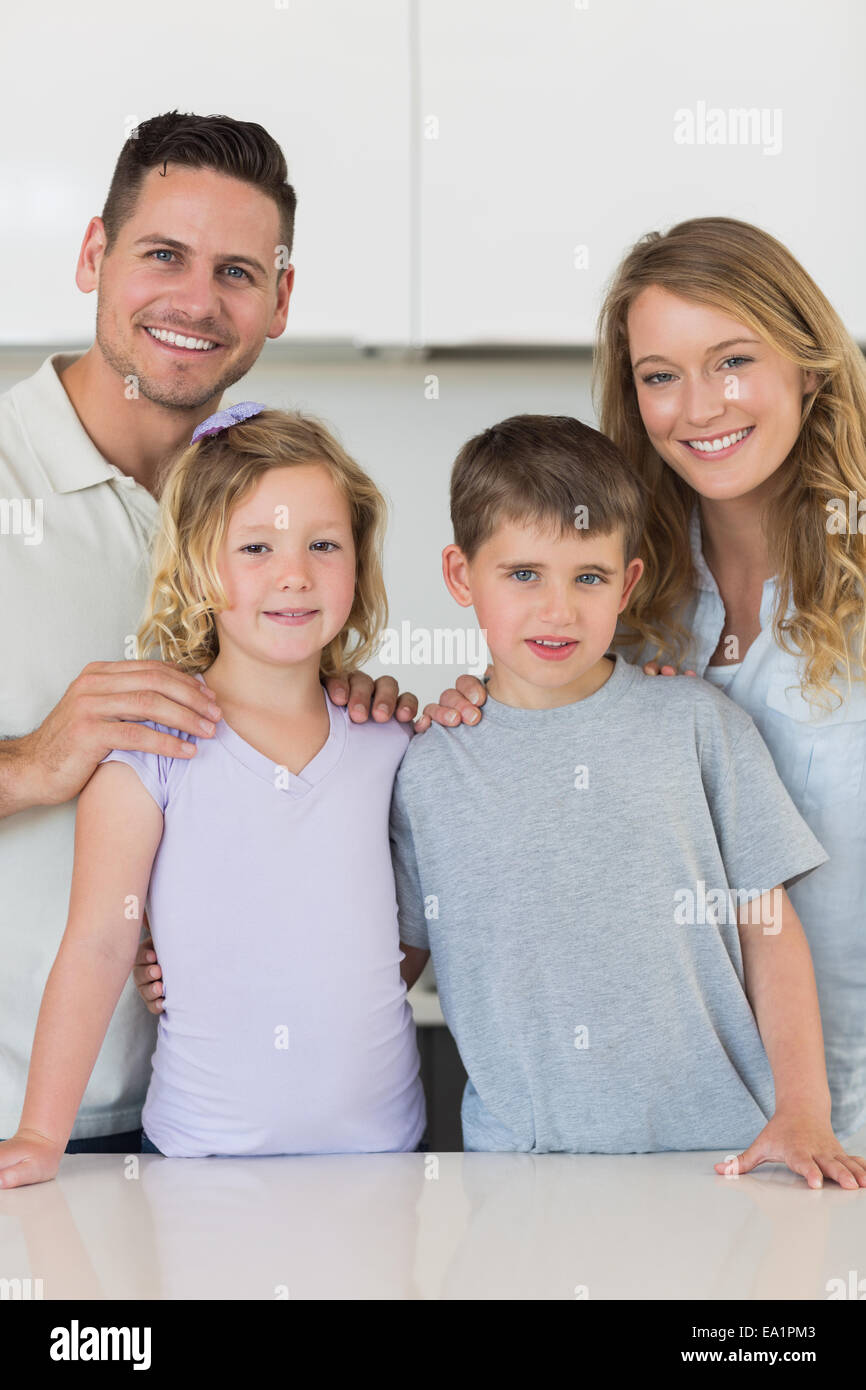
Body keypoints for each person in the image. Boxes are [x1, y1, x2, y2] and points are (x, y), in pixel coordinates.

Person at [0, 111, 454, 1155]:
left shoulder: (260, 506)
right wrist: (33, 761)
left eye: (238, 271)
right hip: (26, 1128)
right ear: (91, 255)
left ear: (280, 298)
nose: (197, 301)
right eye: (163, 254)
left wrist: (357, 695)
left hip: (189, 1127)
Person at [440, 218, 866, 1144]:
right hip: (710, 1144)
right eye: (660, 376)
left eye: (734, 360)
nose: (700, 407)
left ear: (809, 365)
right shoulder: (635, 610)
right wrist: (482, 702)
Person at [389, 413, 866, 1187]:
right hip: (520, 1176)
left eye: (588, 577)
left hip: (723, 1159)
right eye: (522, 575)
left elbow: (769, 931)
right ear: (459, 575)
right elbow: (388, 966)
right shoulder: (426, 770)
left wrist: (804, 1109)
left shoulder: (699, 722)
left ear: (629, 582)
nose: (558, 610)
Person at [0, 404, 427, 1186]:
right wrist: (39, 1132)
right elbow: (98, 945)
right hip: (197, 1160)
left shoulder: (393, 744)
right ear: (198, 568)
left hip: (384, 1158)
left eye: (323, 545)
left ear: (358, 563)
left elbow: (423, 922)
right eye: (257, 547)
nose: (294, 572)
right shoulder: (147, 751)